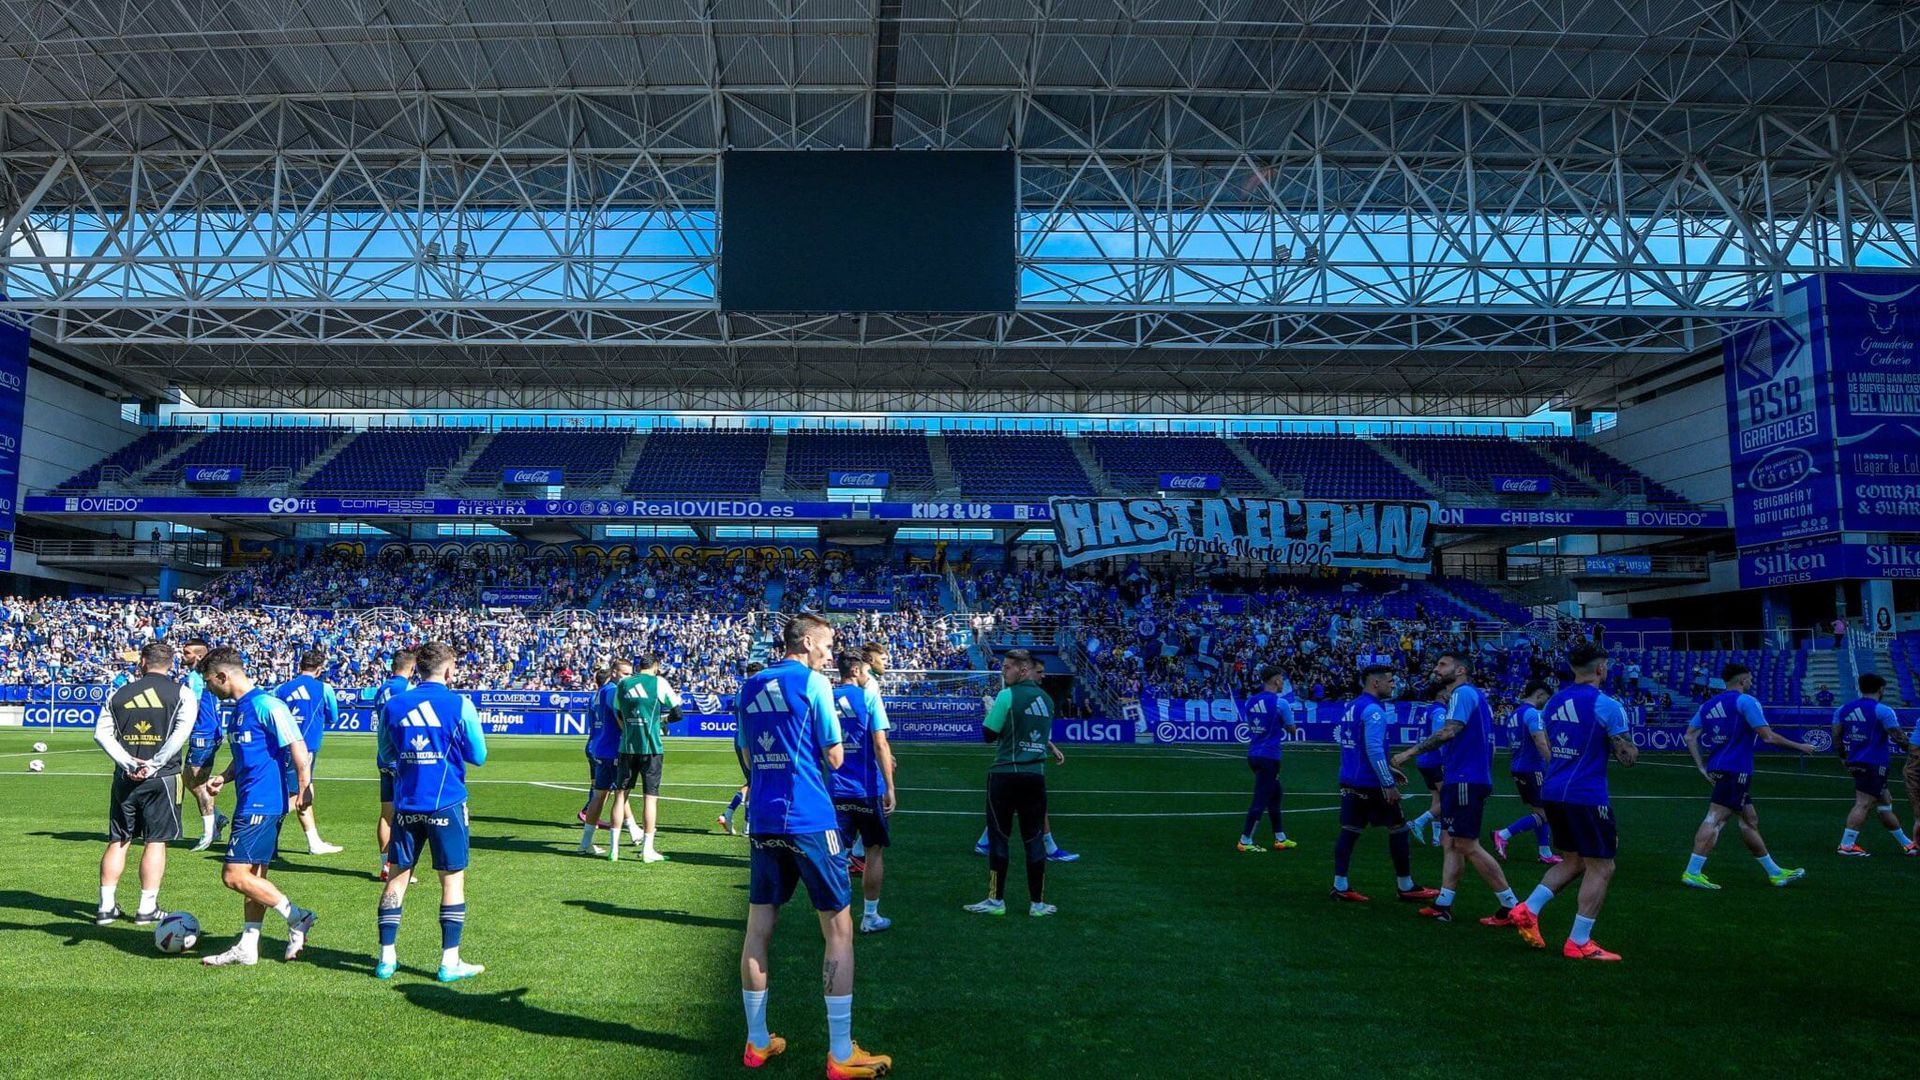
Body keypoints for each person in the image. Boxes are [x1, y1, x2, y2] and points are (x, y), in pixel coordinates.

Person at [734, 613, 890, 1077]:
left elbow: (744, 751)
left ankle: (757, 1042)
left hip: (763, 818)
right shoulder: (814, 683)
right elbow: (835, 754)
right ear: (806, 642)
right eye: (827, 644)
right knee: (838, 931)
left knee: (758, 929)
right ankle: (841, 1053)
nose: (830, 652)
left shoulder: (750, 684)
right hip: (809, 818)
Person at [1509, 642, 1638, 960]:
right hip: (1586, 795)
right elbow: (1627, 759)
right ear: (1600, 668)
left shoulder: (1553, 703)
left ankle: (1528, 908)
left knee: (1574, 860)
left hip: (1553, 790)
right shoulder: (1607, 705)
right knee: (1602, 866)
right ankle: (1579, 941)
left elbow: (1553, 742)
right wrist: (1625, 746)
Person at [373, 641, 488, 983]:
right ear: (449, 670)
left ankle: (385, 960)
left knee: (396, 878)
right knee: (451, 880)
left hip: (406, 802)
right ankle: (449, 961)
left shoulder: (394, 706)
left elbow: (385, 752)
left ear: (416, 670)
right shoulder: (460, 704)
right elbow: (478, 755)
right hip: (447, 802)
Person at [197, 647, 318, 967]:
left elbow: (297, 745)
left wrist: (305, 787)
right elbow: (246, 756)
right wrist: (224, 777)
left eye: (209, 681)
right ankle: (248, 945)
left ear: (223, 676)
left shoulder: (267, 704)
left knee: (234, 876)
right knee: (255, 878)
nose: (209, 688)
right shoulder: (240, 709)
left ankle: (297, 916)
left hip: (262, 803)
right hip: (251, 799)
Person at [1390, 652, 1524, 925]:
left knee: (1466, 844)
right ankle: (1444, 904)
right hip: (1463, 777)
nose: (1436, 669)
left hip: (1465, 778)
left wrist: (1408, 754)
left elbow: (1448, 732)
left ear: (1460, 670)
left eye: (1443, 664)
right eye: (1437, 663)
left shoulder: (1462, 694)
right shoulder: (1471, 697)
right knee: (1450, 842)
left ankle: (1512, 907)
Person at [1681, 664, 1816, 889]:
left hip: (1719, 767)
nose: (1751, 683)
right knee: (1715, 819)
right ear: (1743, 680)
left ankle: (1775, 873)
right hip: (1736, 769)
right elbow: (1768, 737)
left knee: (1749, 819)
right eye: (1750, 679)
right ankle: (1692, 871)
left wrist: (1701, 766)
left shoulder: (1708, 705)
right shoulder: (1746, 701)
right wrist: (1799, 746)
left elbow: (1689, 736)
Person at [94, 641, 197, 926]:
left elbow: (101, 735)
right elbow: (180, 736)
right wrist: (153, 764)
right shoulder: (182, 694)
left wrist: (129, 763)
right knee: (155, 841)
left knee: (119, 839)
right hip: (162, 777)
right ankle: (146, 908)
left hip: (125, 777)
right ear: (172, 663)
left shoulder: (118, 693)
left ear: (142, 662)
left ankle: (105, 908)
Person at [965, 648, 1066, 918]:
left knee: (1000, 837)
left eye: (1008, 667)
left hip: (1005, 774)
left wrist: (989, 711)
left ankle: (996, 900)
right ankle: (1037, 903)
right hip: (1035, 775)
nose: (1003, 671)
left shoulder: (1007, 695)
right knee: (1033, 839)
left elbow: (988, 735)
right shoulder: (1047, 699)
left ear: (1023, 669)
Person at [1329, 664, 1438, 904]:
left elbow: (1358, 749)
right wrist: (1387, 782)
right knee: (1399, 828)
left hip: (1349, 780)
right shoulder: (1374, 710)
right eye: (1389, 681)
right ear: (1375, 683)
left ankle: (1340, 885)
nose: (1393, 685)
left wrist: (1388, 768)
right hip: (1370, 783)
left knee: (1349, 831)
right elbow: (1374, 749)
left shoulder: (1352, 707)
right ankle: (1406, 886)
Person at [831, 652, 897, 934]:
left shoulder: (826, 697)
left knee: (836, 855)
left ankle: (836, 918)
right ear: (856, 670)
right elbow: (880, 744)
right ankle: (870, 916)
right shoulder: (869, 697)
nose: (869, 676)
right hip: (868, 789)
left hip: (835, 789)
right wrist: (890, 786)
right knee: (873, 852)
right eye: (866, 671)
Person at [1830, 674, 1917, 857]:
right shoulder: (1883, 710)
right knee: (1863, 803)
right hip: (1874, 762)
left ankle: (1908, 844)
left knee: (1885, 802)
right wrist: (1912, 752)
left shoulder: (1843, 709)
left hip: (1856, 760)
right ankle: (1846, 845)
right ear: (1881, 689)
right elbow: (1897, 735)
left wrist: (1843, 756)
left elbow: (1836, 735)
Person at [609, 655, 683, 863]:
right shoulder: (659, 682)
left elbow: (618, 713)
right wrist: (662, 721)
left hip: (627, 746)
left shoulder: (623, 684)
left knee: (620, 796)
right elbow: (678, 713)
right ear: (656, 667)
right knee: (650, 797)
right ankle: (647, 851)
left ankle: (613, 850)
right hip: (651, 747)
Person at [275, 649, 343, 856]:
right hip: (305, 748)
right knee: (297, 795)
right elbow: (333, 716)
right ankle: (263, 831)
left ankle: (312, 842)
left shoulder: (281, 689)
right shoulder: (324, 688)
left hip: (282, 745)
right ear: (320, 668)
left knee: (301, 791)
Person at [1492, 681, 1562, 865]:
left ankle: (1545, 852)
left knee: (1540, 811)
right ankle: (1503, 834)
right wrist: (1554, 765)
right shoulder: (1532, 713)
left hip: (1519, 766)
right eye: (1546, 698)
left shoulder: (1515, 714)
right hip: (1532, 767)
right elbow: (1539, 741)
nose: (1545, 702)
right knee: (1546, 814)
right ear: (1539, 694)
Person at [1237, 665, 1300, 852]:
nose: (1283, 683)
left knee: (1275, 793)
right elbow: (1292, 729)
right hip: (1269, 755)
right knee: (1261, 798)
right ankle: (1245, 840)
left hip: (1254, 752)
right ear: (1275, 680)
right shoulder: (1280, 703)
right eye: (1281, 679)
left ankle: (1280, 838)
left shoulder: (1250, 701)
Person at [178, 637, 229, 852]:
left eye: (187, 652)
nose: (183, 656)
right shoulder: (203, 677)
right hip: (210, 732)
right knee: (189, 779)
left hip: (203, 734)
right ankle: (216, 820)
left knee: (198, 784)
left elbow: (194, 707)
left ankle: (209, 834)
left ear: (198, 656)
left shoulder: (196, 678)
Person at [576, 661, 630, 856]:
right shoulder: (613, 691)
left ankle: (585, 843)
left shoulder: (600, 691)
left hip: (600, 748)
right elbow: (619, 717)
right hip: (613, 749)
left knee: (599, 796)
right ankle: (615, 848)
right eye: (625, 673)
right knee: (620, 795)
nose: (628, 677)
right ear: (614, 672)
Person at [373, 648, 417, 879]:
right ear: (411, 668)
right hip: (403, 758)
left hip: (384, 756)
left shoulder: (381, 689)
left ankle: (385, 865)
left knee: (386, 814)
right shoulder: (408, 689)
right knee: (405, 815)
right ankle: (400, 867)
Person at [718, 661, 764, 836]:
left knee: (752, 781)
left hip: (739, 738)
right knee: (755, 781)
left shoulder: (741, 691)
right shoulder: (756, 691)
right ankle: (746, 824)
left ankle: (730, 815)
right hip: (752, 740)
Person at [1404, 681, 1449, 848]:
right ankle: (1419, 822)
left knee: (1437, 797)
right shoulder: (1440, 712)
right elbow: (1440, 737)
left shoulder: (1428, 709)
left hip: (1424, 760)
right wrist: (1446, 760)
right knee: (1450, 797)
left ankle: (1437, 838)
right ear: (1442, 694)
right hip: (1434, 760)